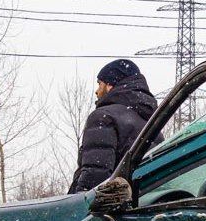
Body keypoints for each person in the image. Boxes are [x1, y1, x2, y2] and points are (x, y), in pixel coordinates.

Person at [68, 59, 159, 194]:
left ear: (110, 85)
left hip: (110, 209)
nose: (97, 91)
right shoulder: (151, 123)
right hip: (142, 205)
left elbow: (96, 175)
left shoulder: (103, 117)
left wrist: (80, 204)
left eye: (100, 84)